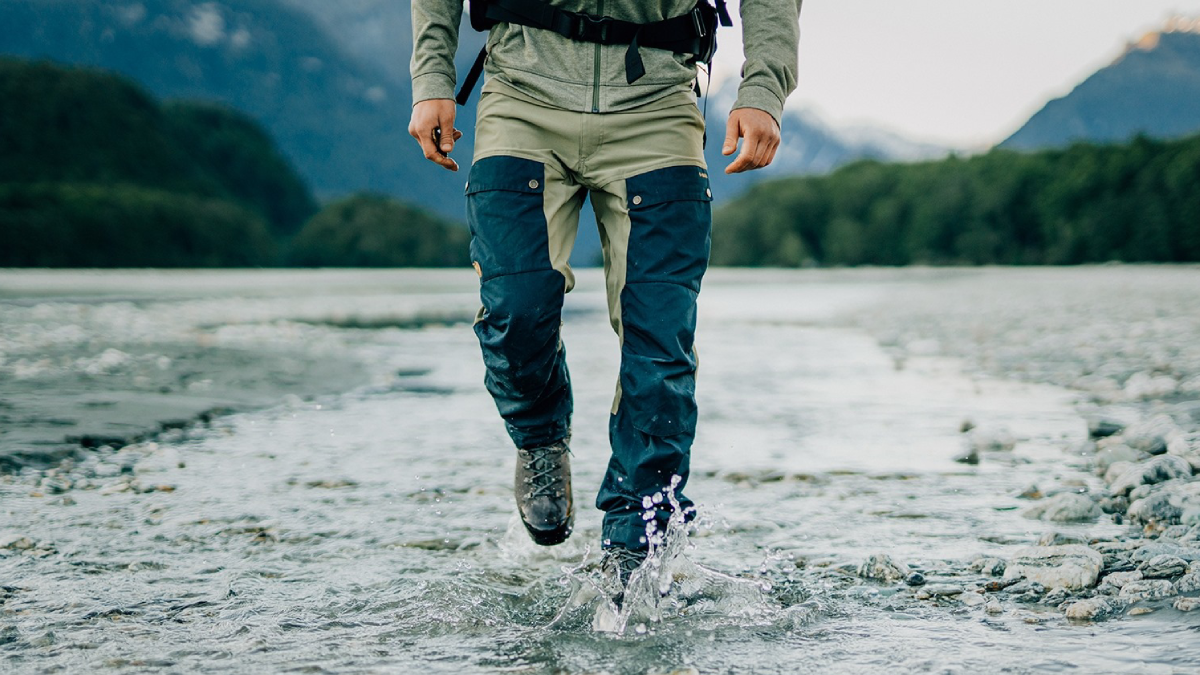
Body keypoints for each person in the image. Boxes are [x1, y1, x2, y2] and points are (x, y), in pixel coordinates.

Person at [409, 0, 801, 597]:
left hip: (657, 101)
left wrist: (763, 86)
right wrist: (432, 77)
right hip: (521, 93)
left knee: (660, 345)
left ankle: (634, 545)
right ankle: (540, 437)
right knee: (515, 309)